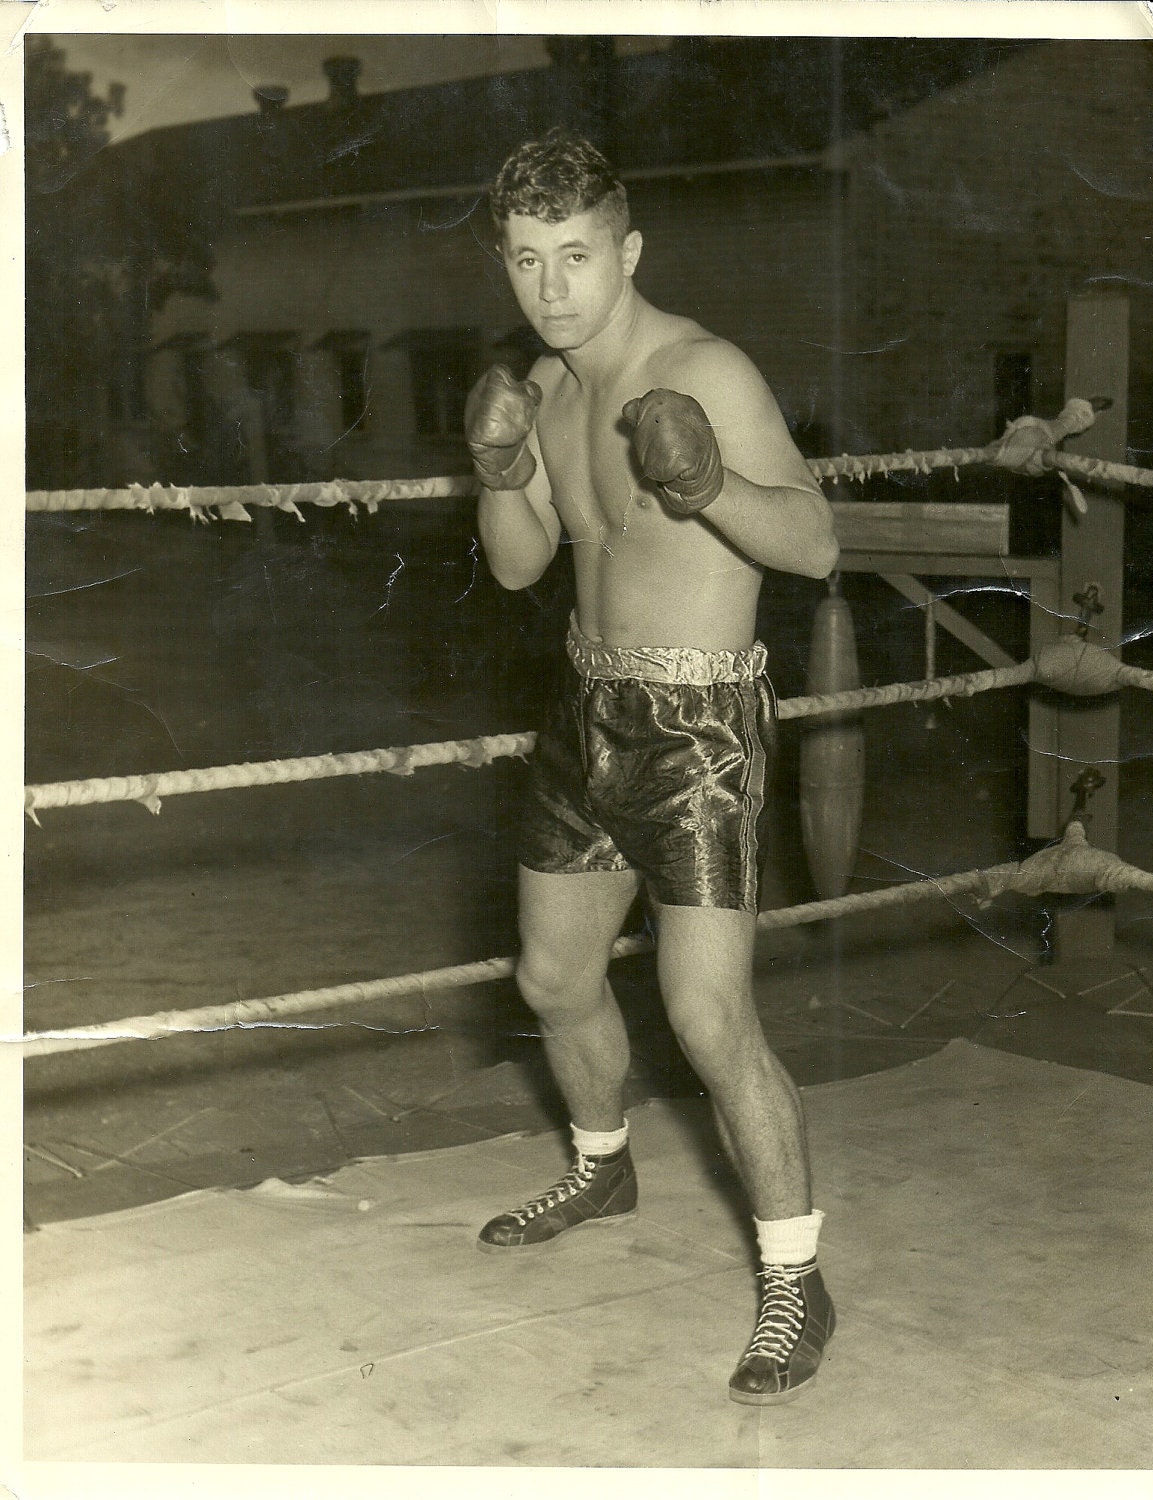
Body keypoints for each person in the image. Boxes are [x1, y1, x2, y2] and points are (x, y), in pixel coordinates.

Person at [467, 130, 840, 1406]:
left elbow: (812, 545)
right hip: (584, 713)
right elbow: (521, 564)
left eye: (576, 256)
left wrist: (709, 483)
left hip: (697, 736)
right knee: (552, 977)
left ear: (625, 250)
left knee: (704, 1015)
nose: (552, 286)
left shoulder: (704, 369)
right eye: (526, 260)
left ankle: (796, 1278)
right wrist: (499, 474)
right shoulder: (549, 388)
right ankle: (602, 1160)